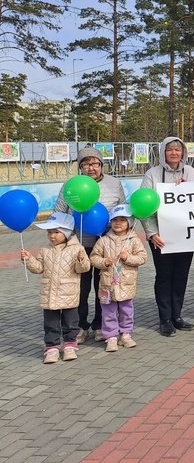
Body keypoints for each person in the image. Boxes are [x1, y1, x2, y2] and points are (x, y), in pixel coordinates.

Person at [54, 146, 126, 344]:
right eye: (85, 164)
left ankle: (101, 325)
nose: (90, 168)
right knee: (80, 288)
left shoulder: (114, 183)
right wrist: (65, 241)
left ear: (101, 165)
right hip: (79, 247)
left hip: (106, 246)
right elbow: (59, 214)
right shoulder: (71, 185)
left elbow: (123, 211)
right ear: (80, 168)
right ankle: (79, 326)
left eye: (94, 163)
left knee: (103, 286)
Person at [141, 137, 194, 337]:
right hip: (161, 237)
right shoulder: (152, 174)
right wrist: (152, 233)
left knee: (181, 276)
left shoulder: (191, 173)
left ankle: (177, 315)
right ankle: (164, 318)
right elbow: (144, 207)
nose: (174, 153)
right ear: (162, 153)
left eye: (178, 149)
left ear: (183, 152)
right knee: (164, 276)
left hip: (185, 236)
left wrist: (186, 189)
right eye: (170, 150)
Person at [21, 212, 90, 364]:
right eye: (49, 232)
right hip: (49, 294)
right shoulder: (46, 250)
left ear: (66, 233)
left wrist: (81, 259)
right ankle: (51, 348)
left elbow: (83, 268)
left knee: (70, 322)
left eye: (56, 232)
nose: (52, 236)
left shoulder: (76, 248)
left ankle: (70, 345)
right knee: (50, 323)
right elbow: (39, 268)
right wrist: (29, 260)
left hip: (68, 293)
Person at [89, 204, 148, 352]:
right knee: (108, 312)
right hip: (107, 285)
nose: (118, 223)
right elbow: (93, 257)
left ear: (129, 222)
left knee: (127, 311)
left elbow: (142, 257)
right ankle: (111, 337)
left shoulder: (133, 240)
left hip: (127, 284)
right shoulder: (103, 240)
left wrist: (127, 257)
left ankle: (126, 334)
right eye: (115, 220)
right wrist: (103, 262)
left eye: (122, 220)